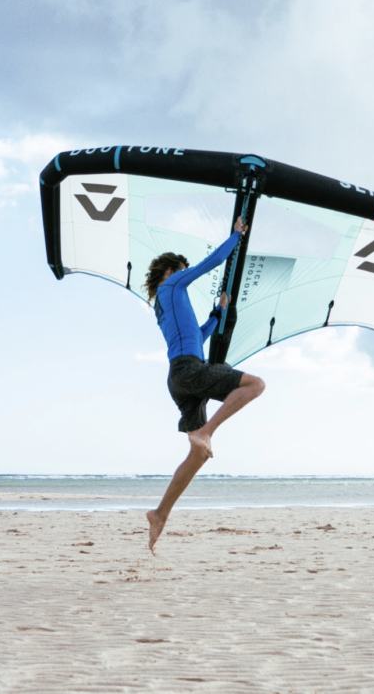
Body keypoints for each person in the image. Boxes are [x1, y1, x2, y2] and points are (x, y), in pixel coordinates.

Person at [144, 217, 265, 552]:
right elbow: (211, 263)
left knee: (197, 456)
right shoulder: (172, 286)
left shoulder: (164, 307)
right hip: (188, 370)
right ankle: (207, 430)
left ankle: (160, 513)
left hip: (178, 377)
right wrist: (236, 236)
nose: (184, 274)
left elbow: (197, 336)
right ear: (171, 271)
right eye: (180, 270)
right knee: (255, 384)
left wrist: (217, 312)